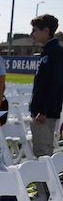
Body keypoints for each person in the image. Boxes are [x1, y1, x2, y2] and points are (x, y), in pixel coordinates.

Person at [29, 14, 63, 158]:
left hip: (44, 114)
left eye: (35, 30)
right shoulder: (49, 50)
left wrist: (43, 110)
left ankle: (45, 182)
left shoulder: (54, 52)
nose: (31, 34)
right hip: (43, 112)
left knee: (42, 154)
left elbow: (56, 83)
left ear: (46, 31)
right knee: (41, 151)